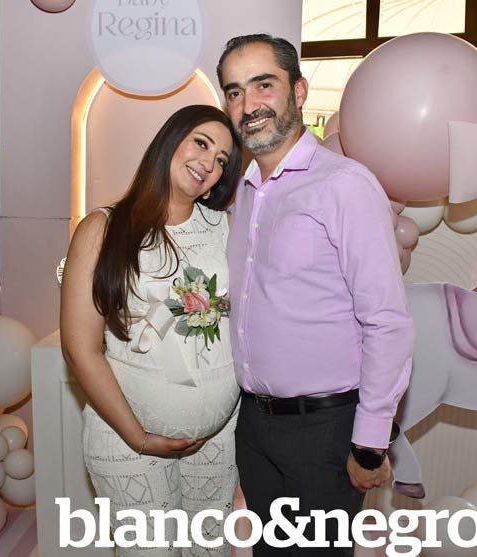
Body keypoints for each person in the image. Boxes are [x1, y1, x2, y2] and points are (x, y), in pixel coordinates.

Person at [216, 35, 415, 554]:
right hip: (254, 427)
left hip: (324, 432)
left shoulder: (344, 185)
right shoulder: (244, 191)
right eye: (235, 92)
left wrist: (369, 445)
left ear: (299, 91)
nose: (249, 104)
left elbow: (387, 320)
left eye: (264, 85)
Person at [60, 104, 243, 556]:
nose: (209, 162)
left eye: (222, 160)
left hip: (217, 442)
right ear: (169, 140)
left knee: (210, 551)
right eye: (202, 143)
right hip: (128, 441)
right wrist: (139, 438)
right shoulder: (102, 229)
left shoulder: (227, 227)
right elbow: (81, 349)